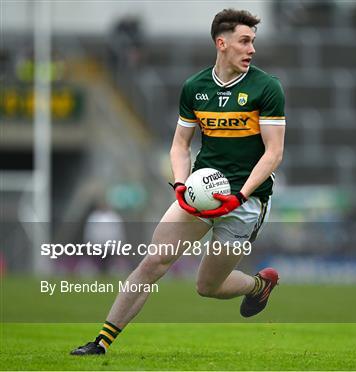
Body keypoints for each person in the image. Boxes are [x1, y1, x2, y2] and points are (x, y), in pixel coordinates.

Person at [71, 9, 286, 355]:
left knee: (207, 285)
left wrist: (240, 195)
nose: (252, 49)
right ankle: (100, 343)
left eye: (253, 42)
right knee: (153, 262)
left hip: (246, 202)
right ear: (222, 43)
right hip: (201, 194)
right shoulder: (196, 87)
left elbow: (273, 154)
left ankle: (258, 285)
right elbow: (180, 145)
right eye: (245, 41)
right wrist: (181, 186)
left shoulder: (266, 88)